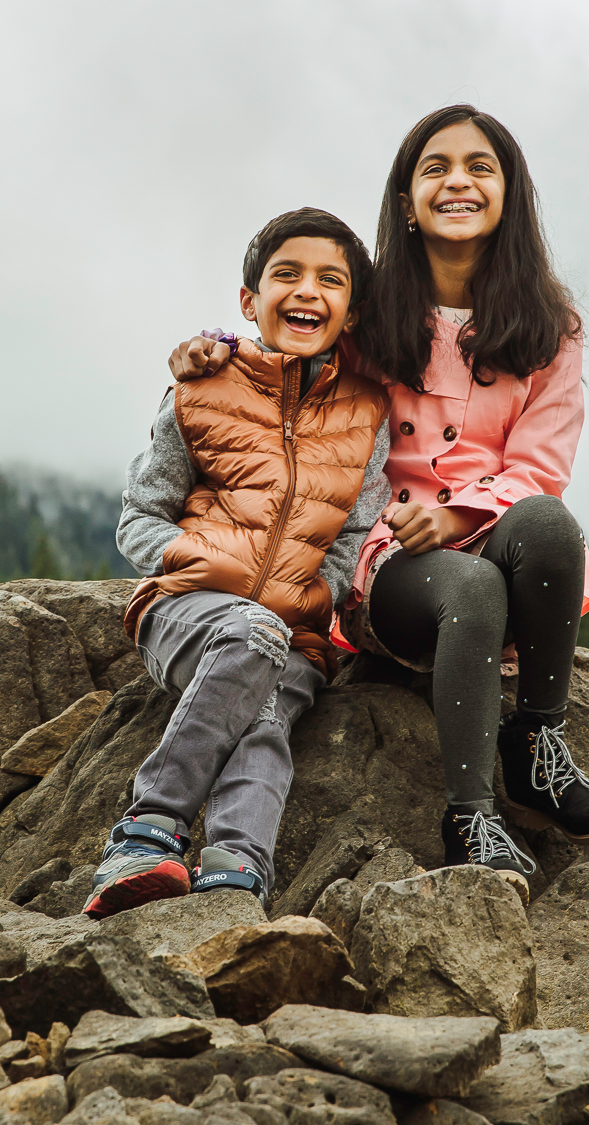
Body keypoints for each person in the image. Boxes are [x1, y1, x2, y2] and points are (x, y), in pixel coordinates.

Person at [165, 106, 589, 893]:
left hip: (496, 536)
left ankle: (538, 751)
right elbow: (294, 339)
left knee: (551, 524)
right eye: (436, 167)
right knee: (471, 583)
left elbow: (542, 465)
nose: (458, 181)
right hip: (392, 570)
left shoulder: (551, 327)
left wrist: (459, 516)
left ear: (510, 193)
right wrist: (216, 345)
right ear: (406, 198)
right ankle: (469, 815)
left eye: (480, 167)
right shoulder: (373, 310)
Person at [87, 207, 392, 920]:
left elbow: (352, 537)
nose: (307, 291)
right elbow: (139, 516)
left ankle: (234, 877)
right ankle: (146, 830)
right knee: (249, 635)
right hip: (187, 611)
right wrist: (200, 562)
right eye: (286, 275)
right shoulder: (202, 387)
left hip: (296, 630)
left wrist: (317, 593)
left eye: (330, 279)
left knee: (267, 716)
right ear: (250, 302)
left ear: (351, 311)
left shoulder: (368, 413)